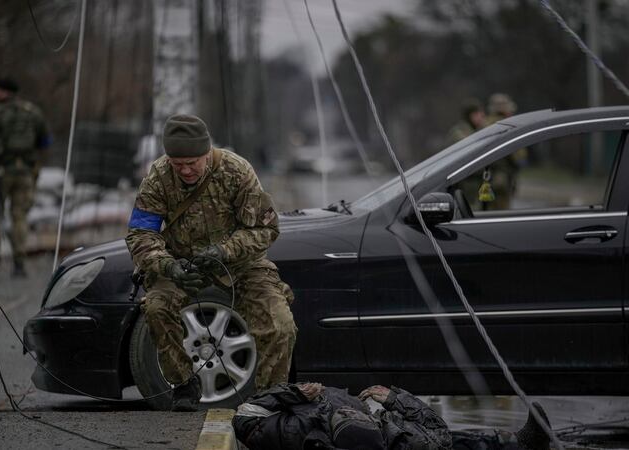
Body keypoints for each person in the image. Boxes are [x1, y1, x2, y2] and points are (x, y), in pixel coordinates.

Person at [125, 114, 297, 411]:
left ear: (207, 152)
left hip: (240, 264)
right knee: (155, 308)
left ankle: (269, 399)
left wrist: (225, 250)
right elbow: (140, 234)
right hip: (182, 266)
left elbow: (266, 230)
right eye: (178, 164)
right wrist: (167, 266)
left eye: (193, 162)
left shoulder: (236, 171)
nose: (186, 170)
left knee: (280, 325)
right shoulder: (158, 177)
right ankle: (182, 383)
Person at [233, 383, 551, 450]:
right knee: (439, 441)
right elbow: (245, 419)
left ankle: (517, 443)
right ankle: (519, 445)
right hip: (376, 437)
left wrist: (298, 393)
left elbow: (249, 411)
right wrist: (397, 400)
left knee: (448, 440)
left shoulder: (293, 413)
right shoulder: (351, 434)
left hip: (359, 426)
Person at [0, 78, 51, 277]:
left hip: (0, 171)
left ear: (3, 93)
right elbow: (45, 140)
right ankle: (19, 261)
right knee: (20, 216)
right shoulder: (33, 113)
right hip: (26, 172)